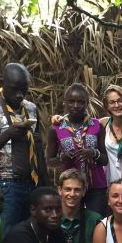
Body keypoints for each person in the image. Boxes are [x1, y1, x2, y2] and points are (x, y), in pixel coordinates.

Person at [0, 62, 48, 231]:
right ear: (2, 83)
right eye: (14, 89)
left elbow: (39, 150)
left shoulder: (31, 108)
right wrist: (6, 135)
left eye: (24, 89)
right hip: (5, 186)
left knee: (31, 236)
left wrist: (46, 186)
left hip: (33, 183)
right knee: (5, 237)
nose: (20, 94)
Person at [47, 83, 108, 216]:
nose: (75, 105)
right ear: (65, 103)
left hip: (96, 186)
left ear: (87, 104)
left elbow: (104, 160)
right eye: (71, 101)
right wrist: (62, 158)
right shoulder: (56, 128)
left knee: (96, 222)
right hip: (71, 188)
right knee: (71, 222)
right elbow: (50, 162)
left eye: (80, 102)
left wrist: (93, 153)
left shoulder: (97, 126)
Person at [52, 168, 102, 243]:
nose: (72, 194)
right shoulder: (49, 218)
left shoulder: (95, 220)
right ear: (60, 190)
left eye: (77, 190)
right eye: (68, 189)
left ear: (84, 192)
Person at [101, 84, 122, 184]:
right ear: (107, 106)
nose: (117, 105)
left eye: (120, 101)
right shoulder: (103, 123)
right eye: (112, 102)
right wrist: (61, 118)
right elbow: (81, 122)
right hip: (110, 184)